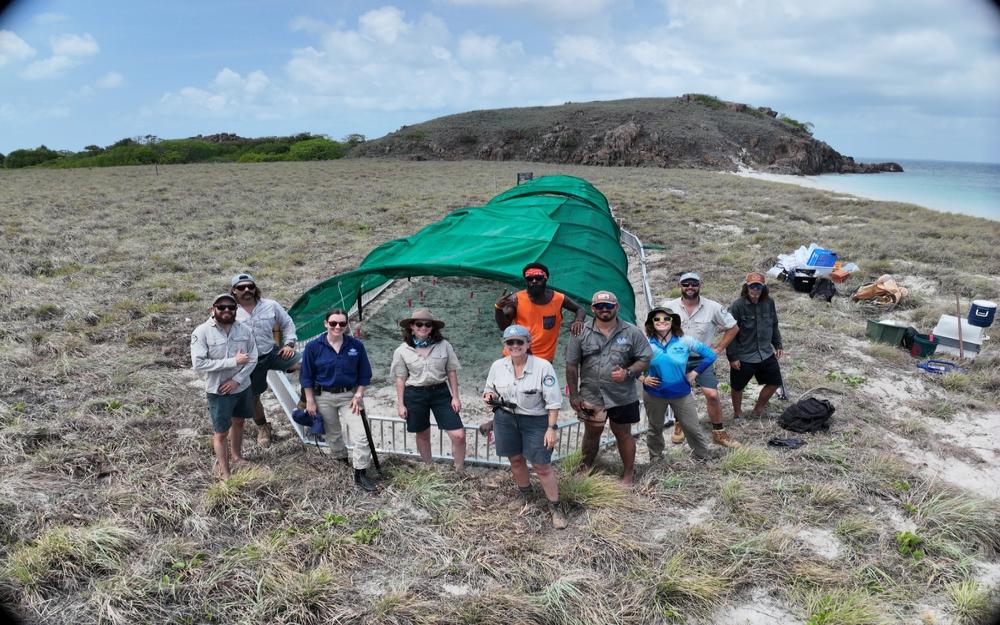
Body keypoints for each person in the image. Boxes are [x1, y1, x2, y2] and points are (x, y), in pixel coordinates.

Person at [484, 325, 567, 529]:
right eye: (510, 342)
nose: (515, 346)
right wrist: (489, 397)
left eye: (519, 342)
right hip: (505, 418)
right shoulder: (497, 366)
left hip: (535, 420)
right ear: (505, 345)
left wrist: (551, 428)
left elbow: (554, 402)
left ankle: (555, 507)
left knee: (542, 465)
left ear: (528, 344)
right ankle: (526, 496)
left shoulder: (543, 366)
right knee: (515, 459)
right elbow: (489, 388)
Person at [565, 290, 652, 485]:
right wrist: (574, 395)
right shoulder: (581, 332)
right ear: (593, 308)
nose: (604, 310)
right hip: (591, 394)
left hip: (622, 395)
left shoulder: (631, 331)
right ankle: (586, 467)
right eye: (599, 306)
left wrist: (628, 372)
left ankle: (628, 474)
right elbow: (571, 364)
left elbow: (645, 357)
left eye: (609, 306)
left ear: (617, 307)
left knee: (623, 433)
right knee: (591, 433)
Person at [662, 272, 742, 448]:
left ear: (700, 285)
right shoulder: (668, 306)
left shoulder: (713, 307)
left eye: (693, 284)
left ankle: (719, 433)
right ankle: (679, 424)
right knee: (678, 394)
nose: (690, 287)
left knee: (712, 395)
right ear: (679, 285)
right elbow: (655, 328)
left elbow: (733, 327)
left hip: (702, 360)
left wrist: (720, 347)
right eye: (686, 284)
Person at [300, 308, 377, 492]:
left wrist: (359, 394)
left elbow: (365, 374)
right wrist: (310, 400)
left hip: (349, 397)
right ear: (326, 323)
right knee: (333, 434)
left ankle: (360, 473)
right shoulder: (313, 347)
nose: (337, 326)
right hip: (323, 397)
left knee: (362, 435)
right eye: (333, 323)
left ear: (346, 325)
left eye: (342, 323)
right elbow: (306, 376)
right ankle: (342, 461)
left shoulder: (355, 346)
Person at [390, 308, 467, 474]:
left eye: (427, 324)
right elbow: (400, 378)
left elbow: (451, 371)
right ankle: (429, 469)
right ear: (411, 326)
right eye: (419, 324)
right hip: (415, 394)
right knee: (423, 434)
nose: (423, 327)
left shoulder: (444, 345)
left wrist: (456, 397)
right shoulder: (402, 350)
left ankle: (460, 470)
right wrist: (400, 404)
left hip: (440, 392)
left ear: (433, 328)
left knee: (459, 435)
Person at [191, 293, 258, 480]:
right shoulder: (201, 332)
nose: (227, 310)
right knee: (220, 431)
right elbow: (199, 364)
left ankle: (237, 457)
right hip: (218, 391)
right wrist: (232, 362)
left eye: (231, 307)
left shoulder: (244, 330)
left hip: (241, 386)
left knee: (239, 421)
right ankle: (225, 472)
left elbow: (253, 357)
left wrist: (237, 379)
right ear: (213, 309)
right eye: (222, 307)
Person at [231, 272, 300, 449]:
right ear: (234, 291)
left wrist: (289, 343)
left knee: (308, 365)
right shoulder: (229, 310)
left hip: (272, 353)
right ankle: (263, 427)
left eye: (250, 286)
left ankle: (304, 404)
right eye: (241, 287)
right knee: (253, 398)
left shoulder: (271, 305)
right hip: (248, 362)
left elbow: (287, 323)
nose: (247, 290)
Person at [640, 306, 718, 461]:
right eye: (657, 319)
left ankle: (703, 457)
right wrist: (643, 378)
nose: (661, 322)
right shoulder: (645, 342)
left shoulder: (685, 341)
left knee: (692, 428)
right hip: (654, 394)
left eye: (666, 318)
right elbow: (629, 362)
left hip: (681, 394)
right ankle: (655, 458)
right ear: (651, 322)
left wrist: (695, 373)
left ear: (672, 321)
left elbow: (710, 355)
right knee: (655, 428)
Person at [494, 262, 585, 362]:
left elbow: (580, 309)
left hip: (543, 359)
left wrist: (578, 320)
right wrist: (498, 308)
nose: (534, 281)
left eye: (538, 278)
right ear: (526, 281)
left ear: (545, 279)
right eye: (530, 279)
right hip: (516, 355)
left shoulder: (558, 298)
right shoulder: (516, 299)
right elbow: (503, 326)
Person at [727, 272, 785, 422]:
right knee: (738, 387)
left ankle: (758, 409)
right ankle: (738, 413)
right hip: (744, 355)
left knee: (775, 382)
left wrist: (777, 344)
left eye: (758, 287)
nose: (755, 290)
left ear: (763, 288)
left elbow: (774, 324)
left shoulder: (769, 302)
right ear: (746, 288)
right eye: (752, 287)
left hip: (765, 353)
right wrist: (732, 357)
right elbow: (730, 332)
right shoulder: (737, 306)